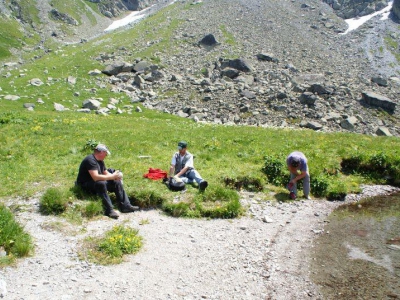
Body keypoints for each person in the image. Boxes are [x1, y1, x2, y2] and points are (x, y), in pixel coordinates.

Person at [76, 144, 139, 219]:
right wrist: (112, 177)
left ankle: (125, 206)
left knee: (116, 182)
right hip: (85, 184)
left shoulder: (100, 161)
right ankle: (109, 210)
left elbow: (105, 173)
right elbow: (95, 177)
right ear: (101, 152)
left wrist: (115, 177)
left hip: (95, 182)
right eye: (106, 153)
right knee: (101, 183)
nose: (106, 155)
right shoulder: (90, 160)